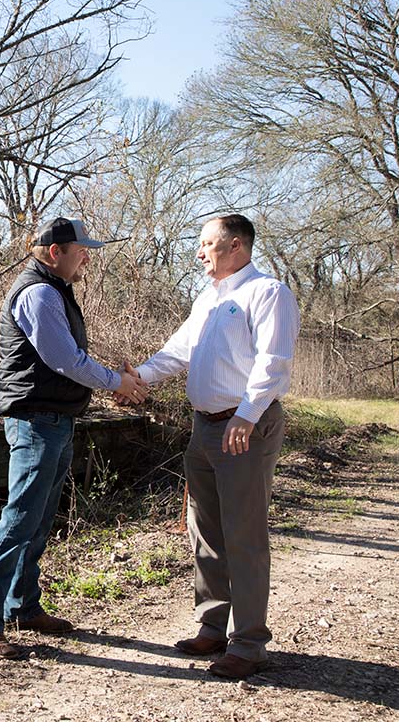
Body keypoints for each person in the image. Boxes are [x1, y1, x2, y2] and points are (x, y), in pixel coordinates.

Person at [0, 217, 148, 660]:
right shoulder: (40, 292)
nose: (87, 255)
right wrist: (114, 383)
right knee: (19, 520)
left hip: (55, 421)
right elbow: (64, 359)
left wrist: (112, 378)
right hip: (35, 423)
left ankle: (23, 607)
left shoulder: (55, 290)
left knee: (39, 519)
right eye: (80, 249)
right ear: (55, 252)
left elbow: (69, 358)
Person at [129, 213, 299, 679]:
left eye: (208, 243)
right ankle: (212, 627)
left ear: (237, 246)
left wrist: (246, 416)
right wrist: (135, 378)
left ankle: (249, 644)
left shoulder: (267, 293)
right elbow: (178, 351)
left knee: (243, 534)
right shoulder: (208, 298)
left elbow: (274, 362)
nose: (200, 252)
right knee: (204, 531)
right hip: (204, 428)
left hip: (244, 427)